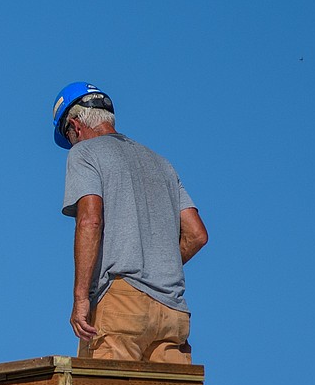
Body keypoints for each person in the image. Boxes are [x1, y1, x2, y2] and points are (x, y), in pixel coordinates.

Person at [53, 82, 209, 363]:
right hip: (172, 311)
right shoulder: (161, 163)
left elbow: (90, 220)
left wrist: (80, 299)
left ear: (75, 126)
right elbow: (197, 234)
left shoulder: (84, 153)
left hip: (120, 304)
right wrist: (157, 269)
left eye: (68, 135)